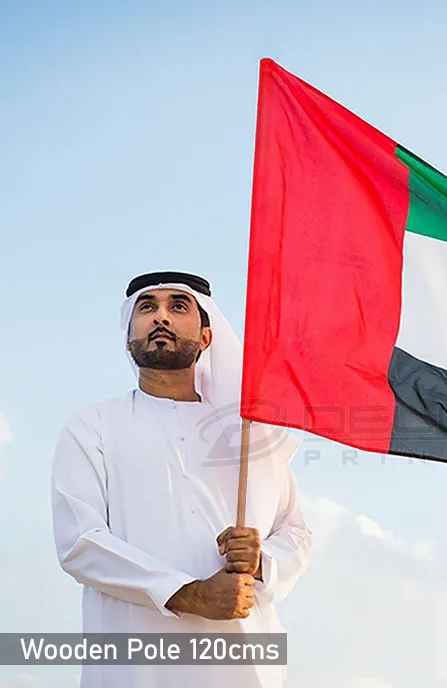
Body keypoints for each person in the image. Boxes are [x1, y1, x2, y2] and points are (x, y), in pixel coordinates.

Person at [50, 271, 313, 687]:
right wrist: (187, 593)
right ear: (128, 336)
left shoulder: (249, 433)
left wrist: (262, 560)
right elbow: (80, 542)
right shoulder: (93, 425)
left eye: (178, 306)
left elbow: (295, 533)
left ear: (207, 337)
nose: (161, 318)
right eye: (147, 308)